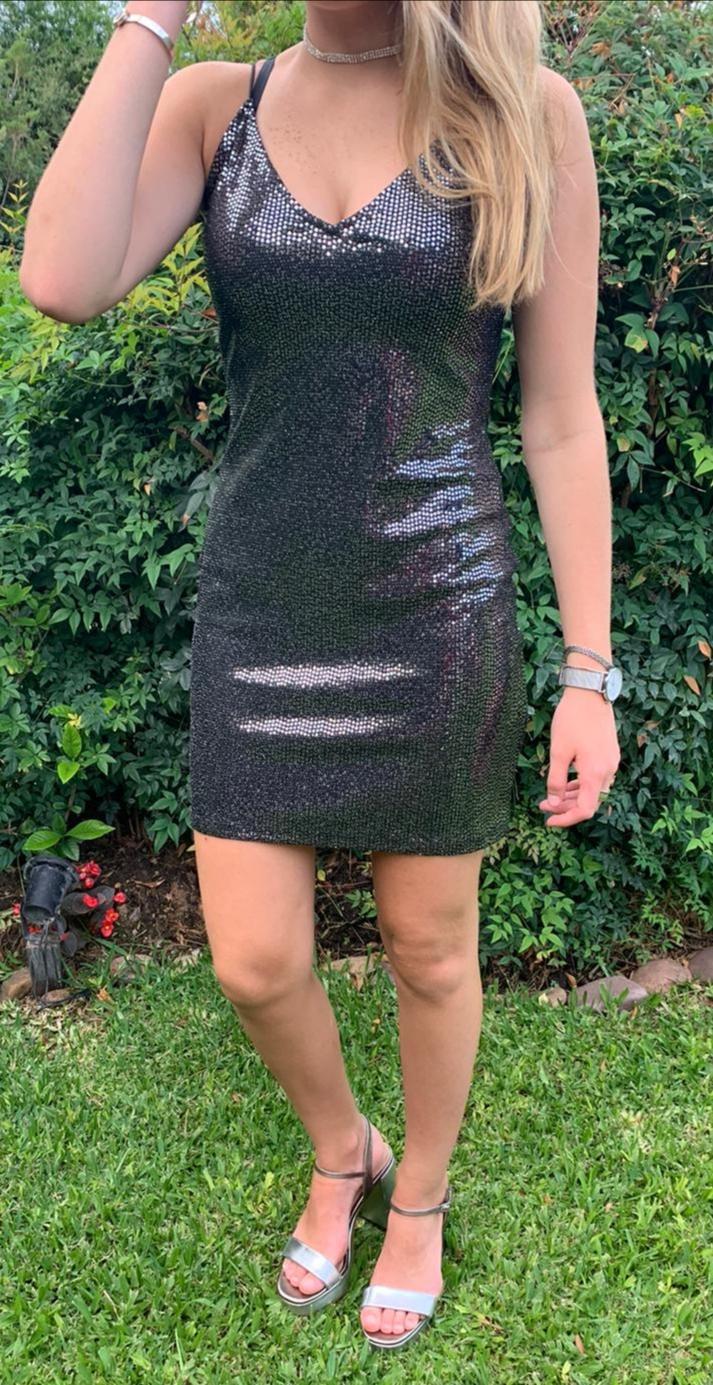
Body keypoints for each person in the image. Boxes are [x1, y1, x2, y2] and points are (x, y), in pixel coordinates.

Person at [19, 0, 621, 1352]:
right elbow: (59, 276)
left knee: (430, 947)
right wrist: (150, 17)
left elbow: (559, 414)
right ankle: (343, 1144)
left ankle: (421, 1195)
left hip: (436, 605)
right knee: (252, 959)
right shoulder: (213, 106)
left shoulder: (525, 112)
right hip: (260, 605)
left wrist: (591, 667)